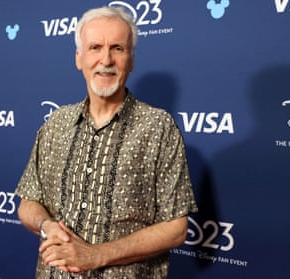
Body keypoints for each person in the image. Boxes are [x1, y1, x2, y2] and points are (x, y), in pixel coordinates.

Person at [15, 6, 198, 278]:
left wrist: (96, 255)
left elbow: (176, 228)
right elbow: (28, 202)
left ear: (131, 59)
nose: (106, 59)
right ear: (79, 58)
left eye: (117, 48)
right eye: (95, 47)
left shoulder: (159, 127)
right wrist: (47, 226)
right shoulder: (56, 123)